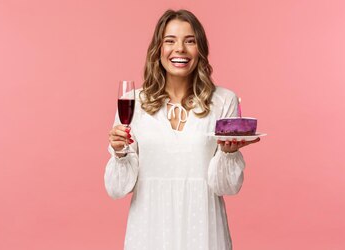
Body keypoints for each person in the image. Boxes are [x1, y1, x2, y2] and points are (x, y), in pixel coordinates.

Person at [105, 9, 260, 250]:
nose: (180, 49)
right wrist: (120, 152)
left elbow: (227, 187)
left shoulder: (223, 100)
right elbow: (116, 189)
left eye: (190, 41)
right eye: (170, 41)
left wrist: (229, 153)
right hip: (149, 229)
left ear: (201, 50)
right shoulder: (133, 102)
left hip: (204, 229)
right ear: (158, 49)